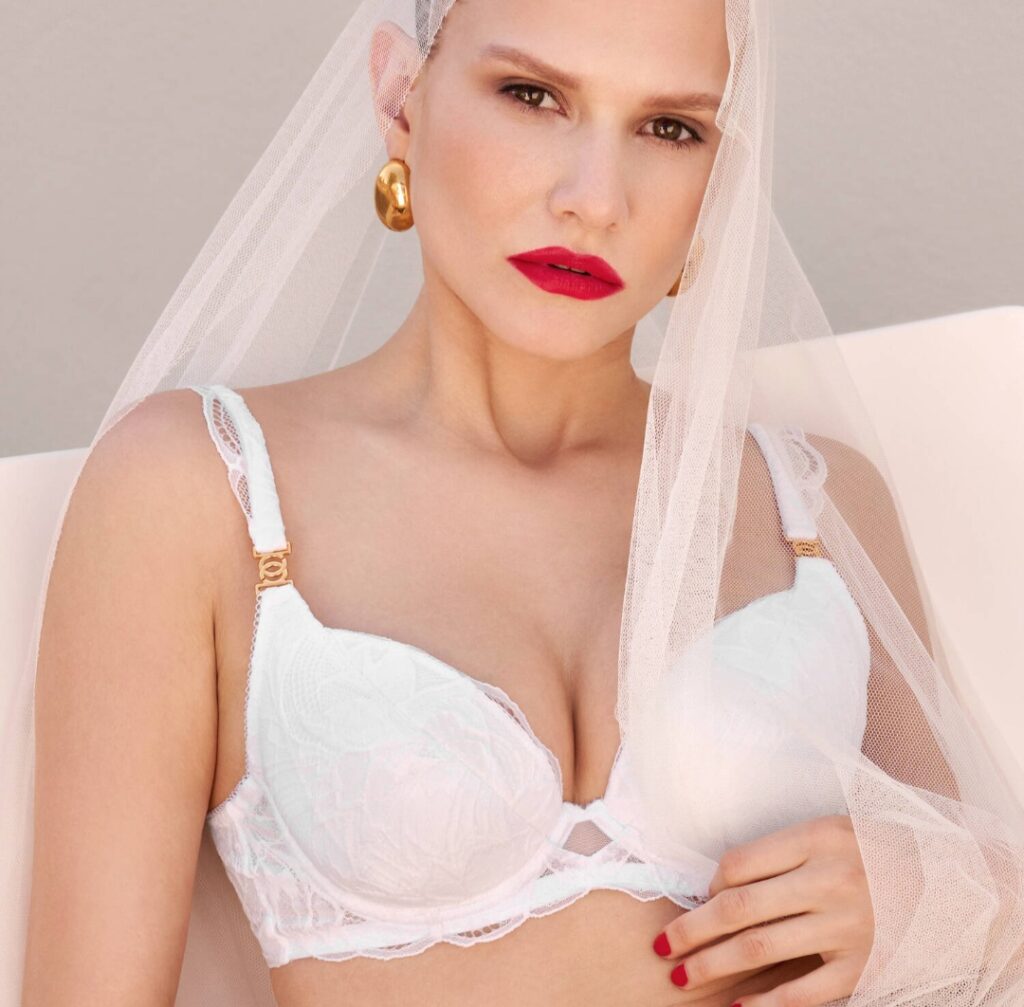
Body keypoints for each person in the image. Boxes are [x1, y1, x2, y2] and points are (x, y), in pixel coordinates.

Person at [11, 0, 1024, 1005]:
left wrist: (963, 901)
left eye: (670, 128)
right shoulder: (197, 488)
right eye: (532, 96)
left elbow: (976, 927)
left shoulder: (812, 502)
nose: (595, 199)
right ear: (400, 99)